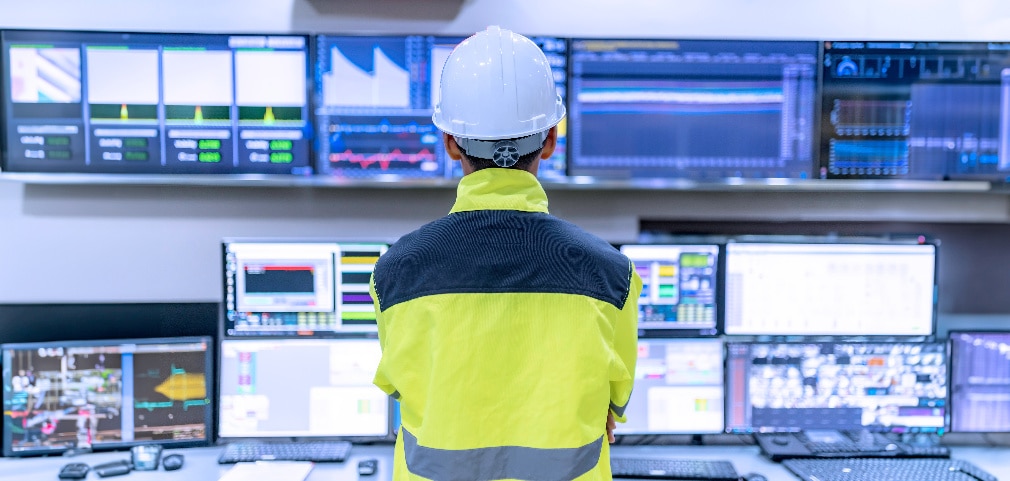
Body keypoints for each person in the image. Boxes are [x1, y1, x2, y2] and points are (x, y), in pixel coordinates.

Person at [369, 26, 642, 481]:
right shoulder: (612, 277)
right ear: (551, 140)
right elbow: (614, 403)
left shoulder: (394, 274)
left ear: (450, 142)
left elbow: (402, 388)